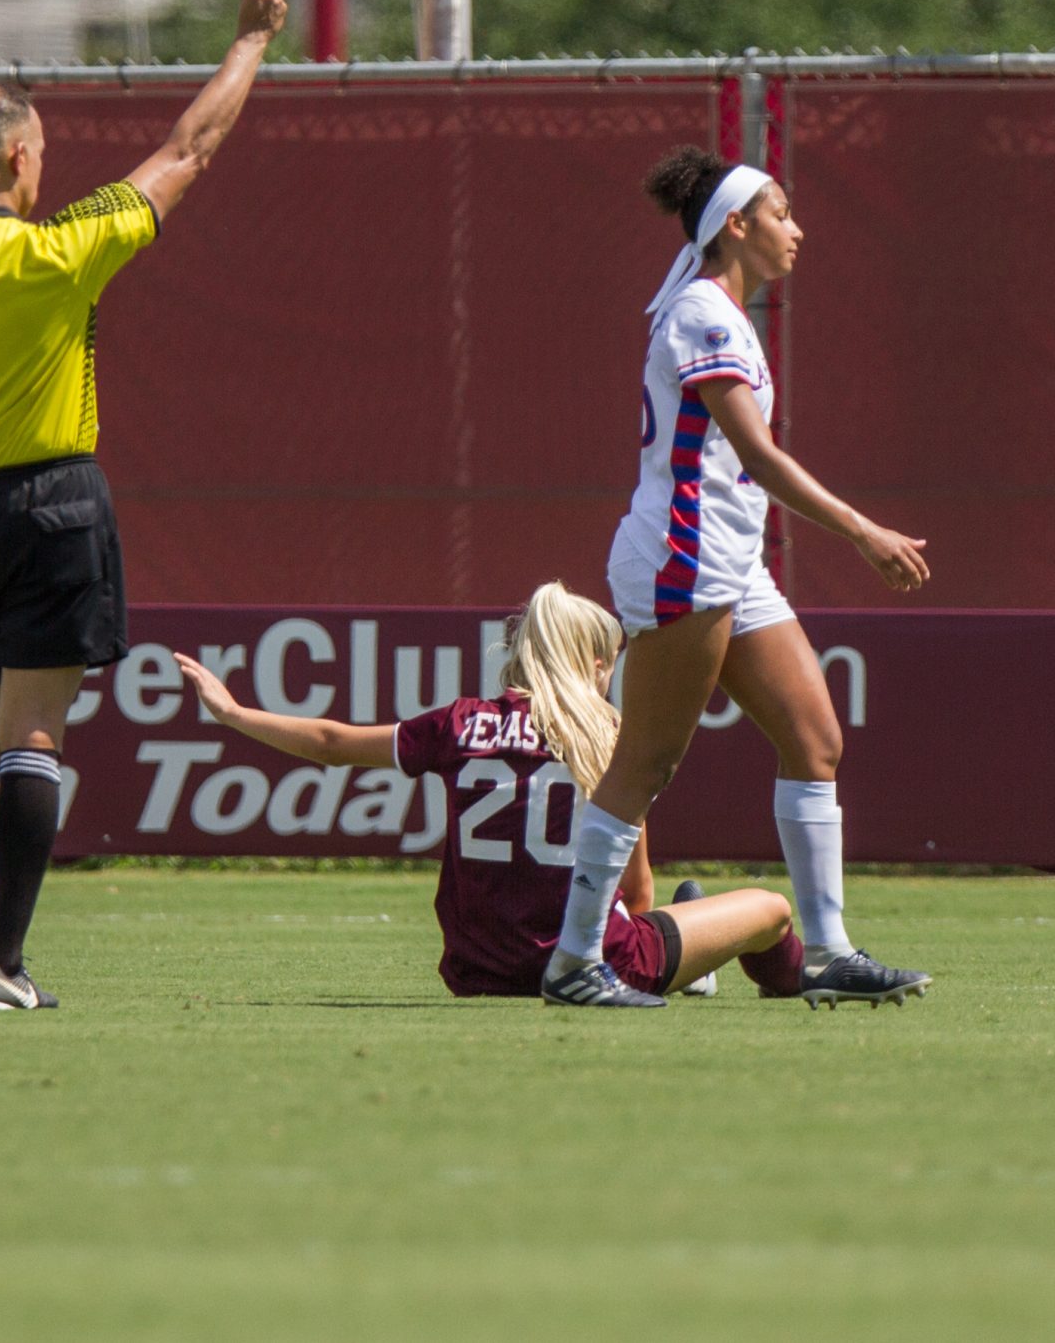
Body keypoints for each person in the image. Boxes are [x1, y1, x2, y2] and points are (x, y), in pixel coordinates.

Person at [0, 0, 289, 1011]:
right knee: (34, 741)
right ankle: (4, 967)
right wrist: (253, 41)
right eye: (41, 150)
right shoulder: (56, 255)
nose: (47, 165)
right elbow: (189, 150)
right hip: (53, 501)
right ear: (15, 158)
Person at [541, 146, 934, 1010]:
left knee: (816, 739)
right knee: (646, 759)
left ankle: (826, 952)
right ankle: (574, 960)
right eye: (783, 212)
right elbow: (757, 453)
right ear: (737, 225)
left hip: (727, 558)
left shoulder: (721, 312)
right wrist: (862, 529)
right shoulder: (705, 315)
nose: (798, 228)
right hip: (686, 553)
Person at [172, 585, 807, 1001]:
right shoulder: (608, 734)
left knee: (675, 920)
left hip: (480, 972)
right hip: (595, 963)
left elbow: (333, 743)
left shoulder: (459, 723)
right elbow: (636, 894)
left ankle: (698, 968)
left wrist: (232, 713)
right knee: (769, 908)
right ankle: (785, 981)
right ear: (589, 663)